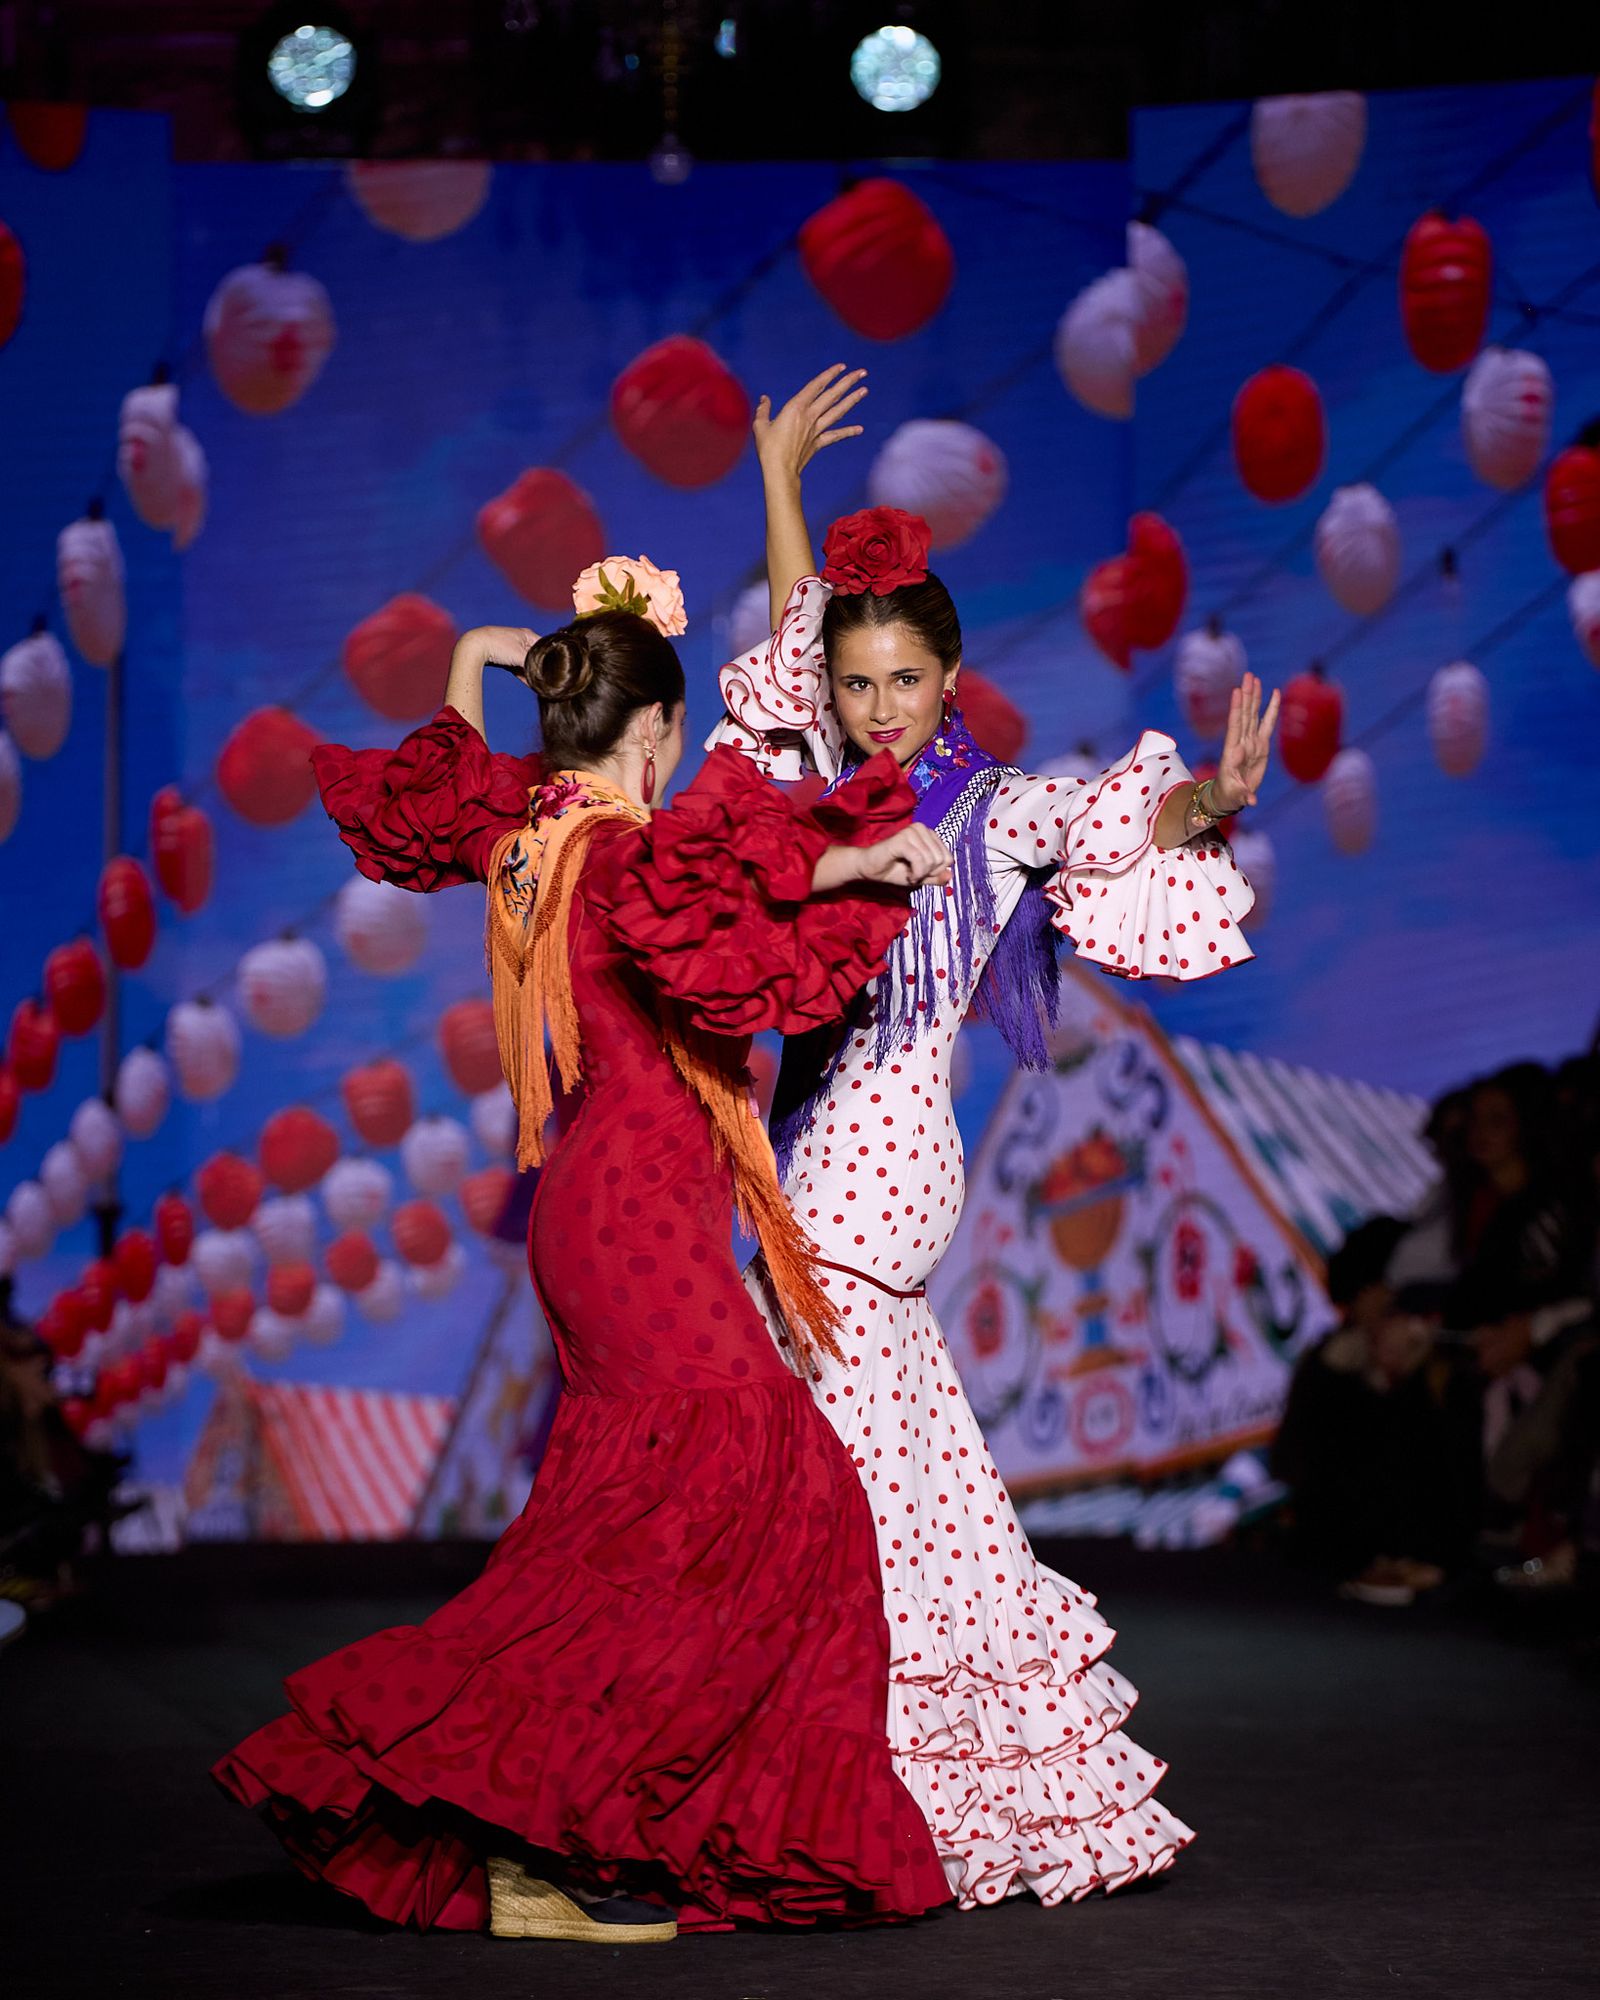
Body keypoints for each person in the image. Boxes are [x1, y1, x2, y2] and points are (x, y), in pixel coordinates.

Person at [214, 559, 955, 1942]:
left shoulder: (529, 822)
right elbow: (716, 931)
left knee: (649, 1528)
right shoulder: (615, 852)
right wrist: (858, 857)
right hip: (639, 1218)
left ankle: (539, 1844)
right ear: (658, 733)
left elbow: (434, 788)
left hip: (600, 1215)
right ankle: (538, 1817)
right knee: (774, 1494)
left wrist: (483, 654)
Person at [708, 368, 1278, 1908]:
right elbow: (788, 640)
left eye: (905, 681)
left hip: (873, 1165)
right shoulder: (830, 790)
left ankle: (838, 1760)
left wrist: (1201, 807)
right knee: (889, 1468)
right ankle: (911, 1769)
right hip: (822, 1152)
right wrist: (779, 487)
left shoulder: (995, 808)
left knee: (832, 1459)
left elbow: (1107, 818)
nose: (877, 705)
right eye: (859, 683)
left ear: (951, 678)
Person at [1270, 1217, 1481, 1604]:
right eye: (1372, 1293)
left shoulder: (1437, 1362)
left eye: (1390, 1295)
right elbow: (1290, 1460)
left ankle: (1415, 1556)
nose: (1380, 1304)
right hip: (1337, 1543)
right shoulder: (1333, 1360)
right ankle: (1375, 1554)